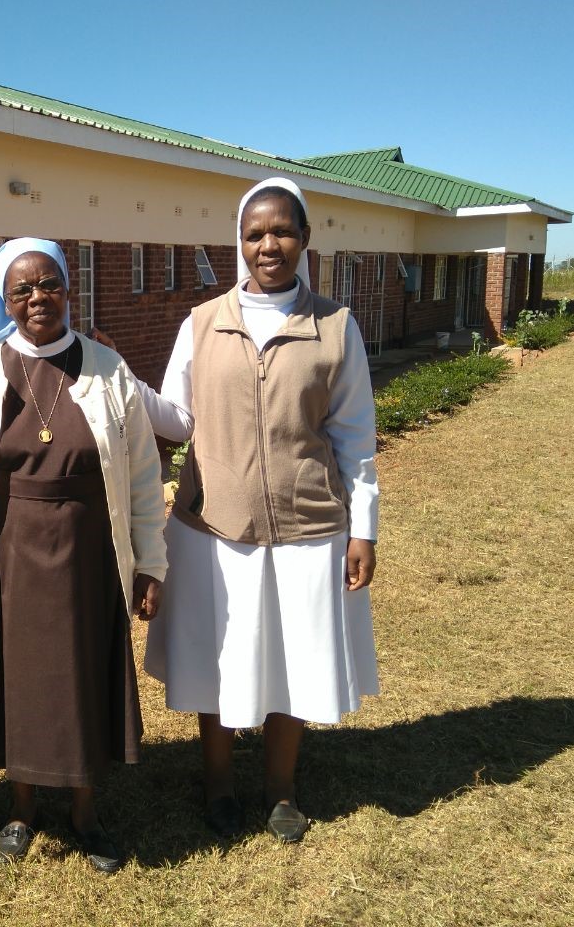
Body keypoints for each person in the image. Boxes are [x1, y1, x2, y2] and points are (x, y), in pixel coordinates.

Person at [139, 178, 379, 844]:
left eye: (281, 231)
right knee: (220, 657)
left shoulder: (335, 325)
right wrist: (119, 379)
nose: (267, 244)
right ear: (238, 242)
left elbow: (355, 434)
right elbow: (177, 416)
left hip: (307, 526)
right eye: (254, 233)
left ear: (304, 239)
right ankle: (217, 782)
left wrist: (365, 528)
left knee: (290, 660)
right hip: (215, 527)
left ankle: (279, 790)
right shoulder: (203, 321)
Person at [0, 238, 168, 873]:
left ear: (68, 288)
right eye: (22, 289)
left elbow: (143, 473)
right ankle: (22, 808)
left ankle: (86, 813)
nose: (38, 298)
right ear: (5, 301)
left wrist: (151, 562)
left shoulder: (108, 369)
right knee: (19, 679)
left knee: (85, 675)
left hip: (91, 552)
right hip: (9, 553)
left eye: (50, 284)